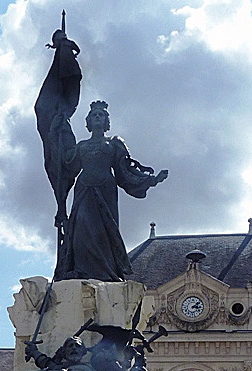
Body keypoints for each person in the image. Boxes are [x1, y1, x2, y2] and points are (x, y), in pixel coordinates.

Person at [55, 100, 168, 281]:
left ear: (106, 121)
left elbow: (125, 170)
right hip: (84, 190)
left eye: (101, 115)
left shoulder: (114, 143)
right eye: (94, 115)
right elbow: (65, 165)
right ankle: (81, 270)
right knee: (80, 232)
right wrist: (58, 132)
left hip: (105, 191)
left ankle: (106, 273)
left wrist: (151, 180)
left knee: (102, 232)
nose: (97, 117)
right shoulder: (81, 146)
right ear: (89, 121)